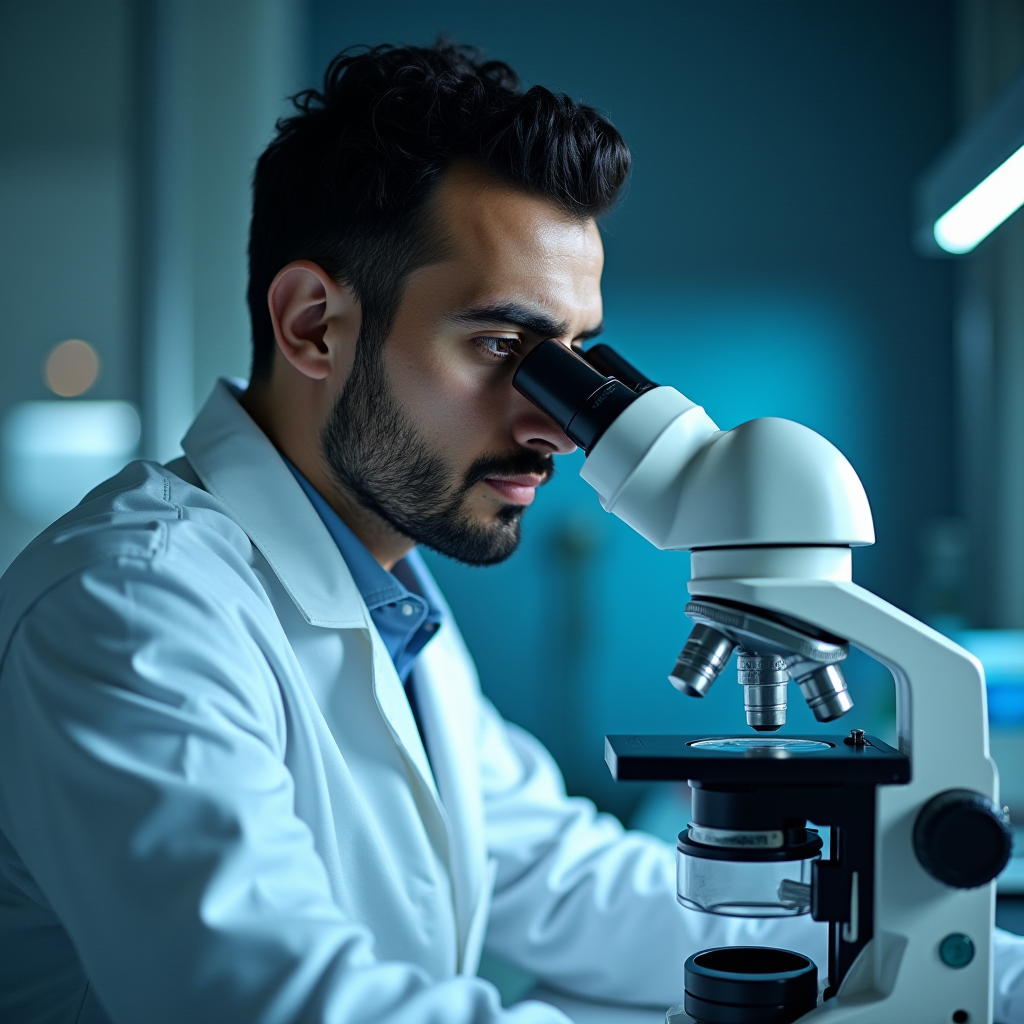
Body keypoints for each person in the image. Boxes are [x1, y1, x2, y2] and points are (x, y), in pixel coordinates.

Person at [0, 41, 1018, 1024]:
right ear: (313, 323)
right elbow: (272, 999)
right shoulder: (130, 609)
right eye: (500, 345)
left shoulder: (382, 593)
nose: (554, 424)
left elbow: (559, 873)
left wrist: (960, 960)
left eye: (574, 357)